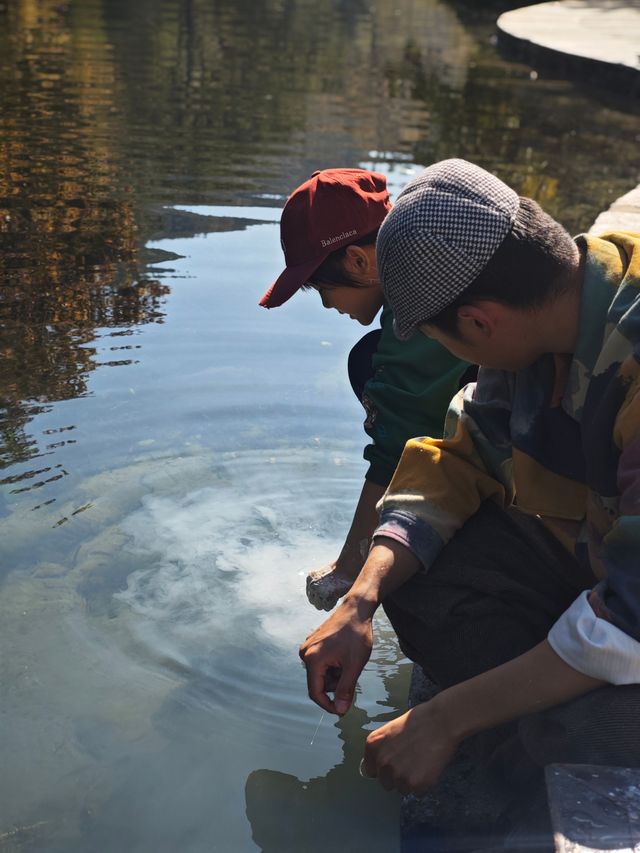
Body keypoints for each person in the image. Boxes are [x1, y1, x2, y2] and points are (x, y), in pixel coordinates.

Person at [299, 159, 640, 836]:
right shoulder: (555, 306)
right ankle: (531, 709)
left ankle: (558, 732)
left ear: (480, 323)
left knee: (577, 721)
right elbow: (453, 461)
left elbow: (633, 618)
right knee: (420, 572)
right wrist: (359, 599)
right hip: (608, 567)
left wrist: (445, 717)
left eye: (436, 333)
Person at [259, 168, 470, 610]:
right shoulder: (430, 248)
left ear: (358, 261)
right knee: (368, 359)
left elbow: (397, 445)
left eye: (322, 289)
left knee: (371, 368)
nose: (326, 305)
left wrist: (348, 569)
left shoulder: (417, 301)